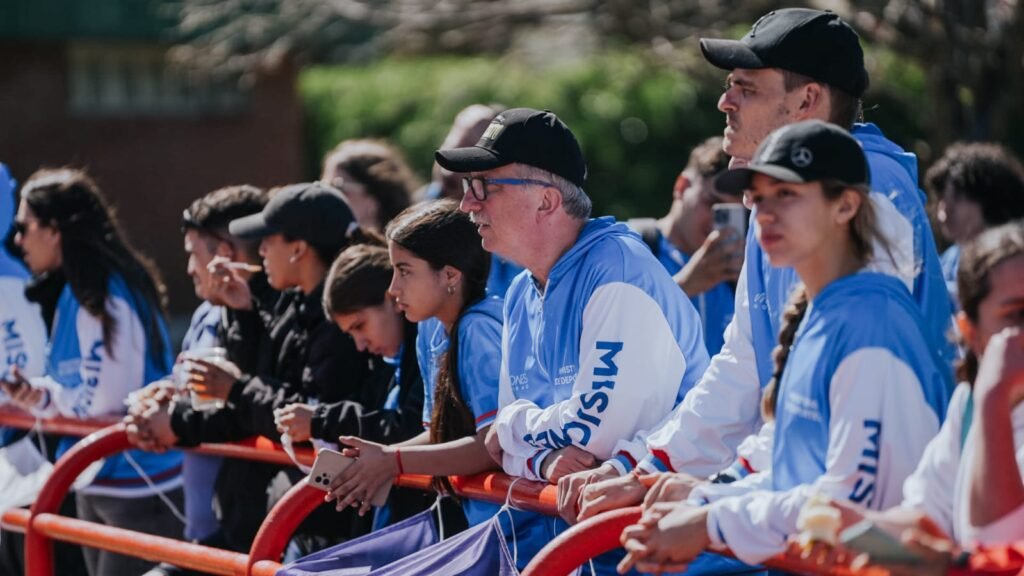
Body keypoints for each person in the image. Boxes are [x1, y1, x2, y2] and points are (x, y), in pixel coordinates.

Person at [564, 7, 956, 517]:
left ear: (807, 100)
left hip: (873, 521)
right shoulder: (785, 193)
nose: (724, 101)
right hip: (805, 507)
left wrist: (714, 494)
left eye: (746, 88)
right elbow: (745, 366)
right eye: (729, 85)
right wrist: (644, 467)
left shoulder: (869, 190)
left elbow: (839, 419)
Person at [614, 120, 951, 573]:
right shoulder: (826, 315)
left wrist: (710, 519)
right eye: (758, 197)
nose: (765, 214)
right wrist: (708, 499)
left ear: (846, 205)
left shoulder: (871, 324)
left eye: (787, 194)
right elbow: (797, 470)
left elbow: (850, 512)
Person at [437, 107, 711, 571]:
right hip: (599, 552)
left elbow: (595, 438)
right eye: (468, 187)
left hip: (676, 556)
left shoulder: (617, 269)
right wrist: (543, 462)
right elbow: (503, 447)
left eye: (483, 187)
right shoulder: (521, 290)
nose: (467, 204)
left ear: (546, 201)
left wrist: (515, 429)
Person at [4, 167, 183, 576]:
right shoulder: (78, 287)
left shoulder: (105, 292)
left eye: (23, 227)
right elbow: (80, 388)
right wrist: (38, 395)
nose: (16, 240)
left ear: (54, 230)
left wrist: (51, 399)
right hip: (99, 477)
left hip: (138, 483)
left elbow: (103, 401)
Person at [820, 221, 1024, 576]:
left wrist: (993, 401)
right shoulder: (968, 402)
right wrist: (841, 525)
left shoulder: (986, 401)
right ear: (971, 332)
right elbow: (925, 516)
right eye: (1017, 314)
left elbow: (998, 546)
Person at [128, 184, 266, 576]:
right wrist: (161, 400)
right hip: (204, 531)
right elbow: (191, 390)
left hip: (249, 531)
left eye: (193, 253)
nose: (189, 268)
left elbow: (252, 405)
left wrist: (174, 421)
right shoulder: (206, 313)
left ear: (223, 253)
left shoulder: (268, 317)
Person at [628, 137, 741, 355]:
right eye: (712, 203)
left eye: (730, 213)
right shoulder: (628, 246)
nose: (716, 223)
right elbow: (603, 329)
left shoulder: (740, 267)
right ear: (681, 187)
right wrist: (686, 285)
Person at [420, 104, 524, 296]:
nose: (449, 168)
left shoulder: (510, 240)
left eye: (467, 147)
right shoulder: (409, 212)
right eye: (452, 144)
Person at [925, 142, 1024, 307]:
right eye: (942, 199)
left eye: (957, 198)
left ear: (989, 198)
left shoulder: (1017, 260)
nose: (943, 212)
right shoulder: (949, 261)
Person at [321, 139, 418, 231]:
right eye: (322, 186)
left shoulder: (411, 242)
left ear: (374, 196)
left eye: (337, 188)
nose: (325, 197)